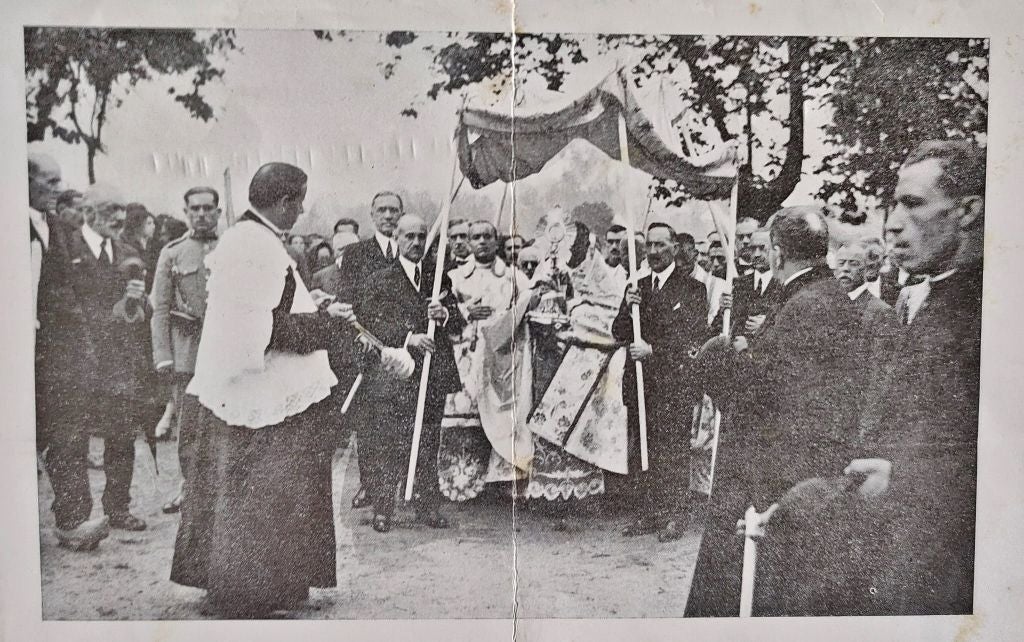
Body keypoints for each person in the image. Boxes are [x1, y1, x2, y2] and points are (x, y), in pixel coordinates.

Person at [171, 162, 360, 617]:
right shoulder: (255, 246)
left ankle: (265, 584)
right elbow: (267, 330)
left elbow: (265, 310)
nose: (301, 210)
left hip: (246, 387)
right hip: (257, 394)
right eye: (299, 200)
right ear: (284, 201)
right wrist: (324, 324)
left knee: (256, 491)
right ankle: (248, 591)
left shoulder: (248, 239)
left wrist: (311, 306)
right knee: (263, 493)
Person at [685, 206, 863, 617]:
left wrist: (720, 361)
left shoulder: (803, 305)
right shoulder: (824, 295)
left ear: (778, 253)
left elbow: (763, 392)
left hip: (774, 468)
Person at [844, 140, 984, 615]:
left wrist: (905, 478)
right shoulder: (934, 298)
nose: (892, 223)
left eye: (914, 204)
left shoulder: (990, 307)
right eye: (892, 204)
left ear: (966, 211)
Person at [353, 214, 464, 533]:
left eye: (420, 236)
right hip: (397, 373)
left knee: (429, 438)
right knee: (390, 440)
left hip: (433, 372)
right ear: (397, 239)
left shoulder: (438, 276)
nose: (416, 243)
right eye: (409, 237)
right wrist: (409, 337)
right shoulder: (381, 279)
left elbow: (457, 321)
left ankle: (427, 505)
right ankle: (384, 508)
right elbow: (370, 321)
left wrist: (443, 315)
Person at [31, 154, 113, 550]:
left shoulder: (60, 229)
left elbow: (86, 288)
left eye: (59, 179)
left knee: (69, 434)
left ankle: (72, 520)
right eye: (48, 180)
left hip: (56, 354)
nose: (57, 188)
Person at [61, 184, 152, 533]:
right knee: (74, 437)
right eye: (111, 208)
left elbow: (141, 310)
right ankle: (76, 513)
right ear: (89, 210)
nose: (119, 216)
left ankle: (117, 507)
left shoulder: (127, 251)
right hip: (79, 356)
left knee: (121, 435)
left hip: (118, 362)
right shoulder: (67, 248)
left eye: (121, 209)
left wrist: (137, 301)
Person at [612, 222, 707, 543]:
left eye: (660, 245)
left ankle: (674, 515)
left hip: (673, 384)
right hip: (640, 384)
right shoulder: (637, 287)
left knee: (673, 450)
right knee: (643, 449)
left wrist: (653, 350)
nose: (653, 252)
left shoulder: (692, 289)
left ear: (675, 248)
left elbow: (693, 338)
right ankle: (648, 512)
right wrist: (628, 306)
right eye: (649, 246)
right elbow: (619, 332)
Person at [439, 221, 534, 500]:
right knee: (462, 413)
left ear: (496, 241)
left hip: (501, 357)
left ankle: (502, 478)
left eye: (487, 237)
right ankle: (460, 478)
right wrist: (466, 310)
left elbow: (529, 301)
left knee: (501, 415)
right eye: (475, 237)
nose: (481, 241)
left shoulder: (513, 276)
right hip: (465, 354)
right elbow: (442, 310)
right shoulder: (455, 276)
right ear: (468, 242)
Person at [150, 186, 221, 514]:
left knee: (228, 423)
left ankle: (224, 491)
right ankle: (190, 487)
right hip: (189, 353)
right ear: (187, 212)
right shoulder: (173, 253)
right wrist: (163, 354)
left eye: (208, 208)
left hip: (227, 351)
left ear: (218, 213)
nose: (202, 214)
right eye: (195, 209)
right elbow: (160, 308)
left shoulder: (231, 247)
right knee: (190, 427)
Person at [336, 190, 404, 508]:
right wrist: (360, 335)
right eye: (383, 210)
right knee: (369, 422)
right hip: (368, 346)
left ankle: (400, 484)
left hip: (404, 347)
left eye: (394, 211)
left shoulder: (413, 248)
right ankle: (369, 484)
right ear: (372, 214)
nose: (388, 216)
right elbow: (348, 300)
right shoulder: (356, 253)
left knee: (401, 418)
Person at [310, 231, 360, 296]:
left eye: (351, 249)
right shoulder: (319, 276)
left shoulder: (368, 274)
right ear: (334, 251)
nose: (346, 253)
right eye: (341, 249)